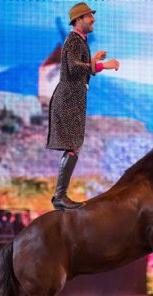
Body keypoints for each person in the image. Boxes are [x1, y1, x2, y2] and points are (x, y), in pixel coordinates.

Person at [46, 2, 120, 210]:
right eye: (89, 16)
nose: (93, 19)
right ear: (78, 20)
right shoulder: (74, 40)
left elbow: (80, 68)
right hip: (68, 101)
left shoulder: (80, 41)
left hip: (73, 101)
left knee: (74, 146)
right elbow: (74, 68)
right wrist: (102, 65)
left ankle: (60, 195)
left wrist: (93, 61)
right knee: (73, 146)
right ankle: (59, 196)